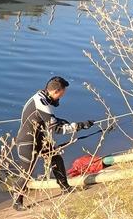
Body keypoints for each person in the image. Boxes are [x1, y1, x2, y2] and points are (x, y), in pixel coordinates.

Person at [12, 76, 94, 211]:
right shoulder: (42, 103)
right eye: (61, 94)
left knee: (56, 158)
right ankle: (17, 202)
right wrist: (78, 126)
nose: (61, 98)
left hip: (40, 138)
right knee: (26, 172)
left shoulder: (42, 97)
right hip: (27, 141)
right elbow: (56, 129)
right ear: (55, 91)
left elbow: (48, 120)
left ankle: (65, 187)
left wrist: (62, 121)